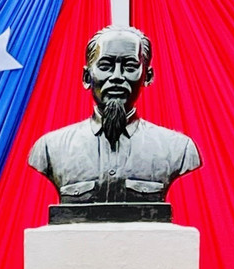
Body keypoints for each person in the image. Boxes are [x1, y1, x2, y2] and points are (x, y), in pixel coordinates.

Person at [28, 26, 201, 203]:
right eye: (105, 66)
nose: (117, 76)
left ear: (148, 76)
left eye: (130, 66)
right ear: (87, 77)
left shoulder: (178, 150)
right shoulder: (50, 149)